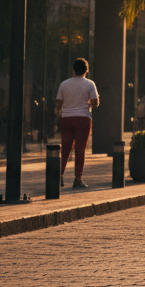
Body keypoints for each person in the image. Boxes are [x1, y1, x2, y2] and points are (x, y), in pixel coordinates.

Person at [54, 57, 100, 189]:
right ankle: (78, 179)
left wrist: (59, 112)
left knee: (65, 148)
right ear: (86, 70)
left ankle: (59, 176)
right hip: (83, 119)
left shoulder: (64, 84)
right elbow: (95, 103)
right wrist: (89, 103)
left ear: (73, 69)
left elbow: (58, 103)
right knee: (80, 149)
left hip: (66, 118)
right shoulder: (90, 84)